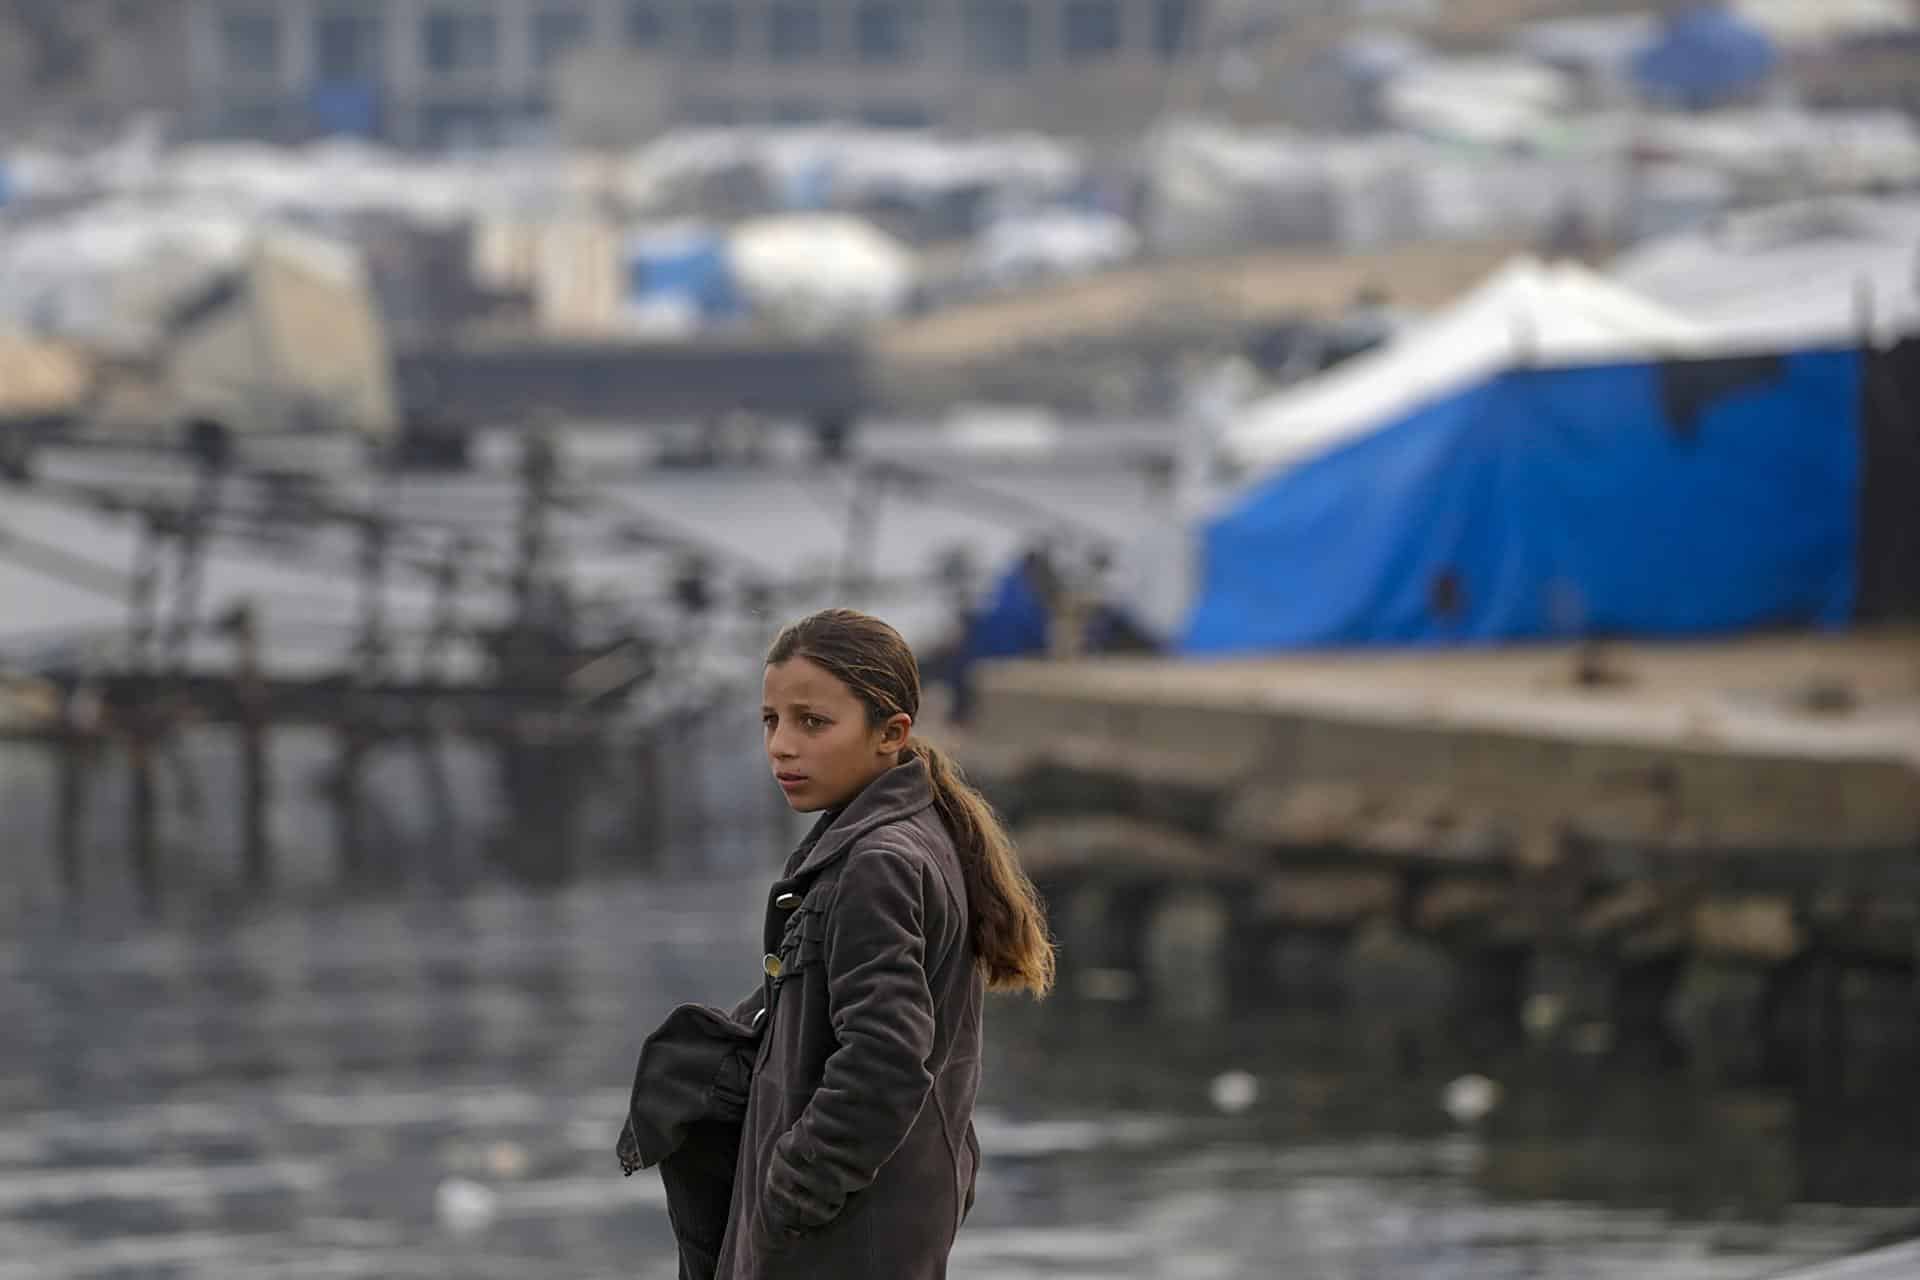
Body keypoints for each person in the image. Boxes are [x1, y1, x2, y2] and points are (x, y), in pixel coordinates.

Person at [621, 608, 1055, 1279]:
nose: (781, 746)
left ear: (892, 733)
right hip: (875, 1220)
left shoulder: (876, 862)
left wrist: (789, 1195)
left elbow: (884, 1060)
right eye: (771, 720)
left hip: (842, 1240)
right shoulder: (902, 836)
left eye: (813, 722)